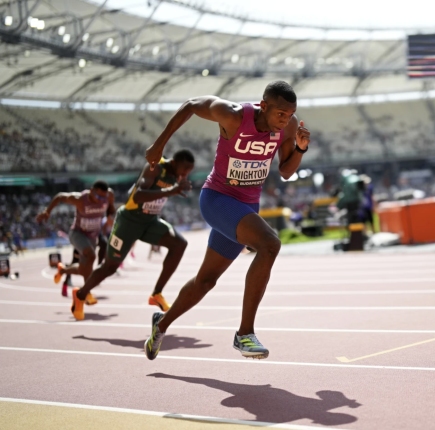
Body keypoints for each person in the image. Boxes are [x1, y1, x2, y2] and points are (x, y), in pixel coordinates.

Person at [144, 81, 310, 360]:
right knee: (270, 245)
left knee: (205, 281)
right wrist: (159, 144)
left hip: (246, 206)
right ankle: (245, 333)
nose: (285, 121)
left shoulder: (288, 126)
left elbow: (285, 171)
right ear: (264, 105)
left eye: (290, 114)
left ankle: (162, 323)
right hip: (218, 199)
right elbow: (191, 105)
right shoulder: (233, 115)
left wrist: (300, 150)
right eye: (280, 114)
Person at [69, 149, 195, 321]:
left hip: (149, 222)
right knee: (110, 267)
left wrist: (175, 187)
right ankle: (81, 294)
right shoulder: (155, 168)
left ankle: (156, 293)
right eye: (184, 170)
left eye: (189, 171)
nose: (185, 174)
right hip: (128, 222)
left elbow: (167, 190)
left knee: (179, 244)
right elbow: (136, 196)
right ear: (174, 162)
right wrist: (171, 191)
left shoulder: (177, 177)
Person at [36, 181, 116, 304]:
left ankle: (63, 270)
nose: (101, 200)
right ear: (91, 191)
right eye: (98, 196)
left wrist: (110, 218)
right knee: (91, 256)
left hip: (92, 236)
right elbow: (60, 197)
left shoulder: (108, 196)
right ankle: (86, 293)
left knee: (84, 269)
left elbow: (111, 208)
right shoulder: (80, 199)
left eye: (103, 197)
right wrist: (47, 211)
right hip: (78, 234)